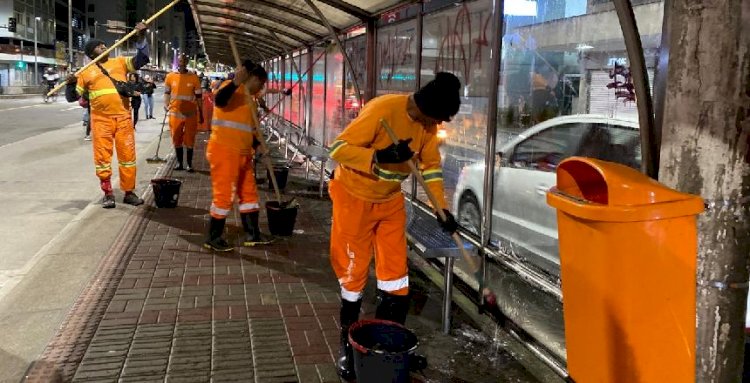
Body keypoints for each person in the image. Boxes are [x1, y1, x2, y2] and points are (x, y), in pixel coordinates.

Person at [327, 72, 461, 380]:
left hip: (389, 202)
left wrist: (442, 210)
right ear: (426, 107)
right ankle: (349, 351)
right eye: (437, 118)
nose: (435, 126)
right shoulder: (382, 110)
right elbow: (337, 149)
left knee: (396, 279)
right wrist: (379, 156)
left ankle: (390, 348)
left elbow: (430, 169)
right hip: (354, 199)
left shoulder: (428, 125)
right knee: (353, 276)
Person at [64, 22, 149, 209]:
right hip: (101, 121)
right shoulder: (85, 72)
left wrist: (141, 37)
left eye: (104, 44)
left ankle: (129, 192)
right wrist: (70, 83)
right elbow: (72, 97)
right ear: (91, 53)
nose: (104, 47)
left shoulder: (120, 62)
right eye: (99, 46)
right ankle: (108, 193)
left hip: (124, 118)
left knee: (128, 157)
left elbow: (142, 59)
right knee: (102, 159)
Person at [203, 60, 274, 252]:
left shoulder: (249, 99)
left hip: (243, 153)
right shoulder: (230, 88)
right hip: (225, 151)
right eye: (261, 83)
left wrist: (259, 146)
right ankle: (213, 237)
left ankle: (252, 233)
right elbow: (219, 100)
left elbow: (250, 129)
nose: (262, 88)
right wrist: (235, 82)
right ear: (253, 79)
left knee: (249, 193)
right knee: (224, 194)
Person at [163, 54, 204, 172]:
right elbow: (167, 92)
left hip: (190, 114)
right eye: (180, 60)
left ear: (187, 62)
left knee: (190, 139)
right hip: (175, 113)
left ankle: (189, 165)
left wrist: (201, 113)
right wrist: (166, 105)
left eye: (184, 60)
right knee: (176, 139)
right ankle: (180, 163)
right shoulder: (170, 76)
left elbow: (199, 97)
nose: (182, 62)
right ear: (177, 61)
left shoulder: (194, 77)